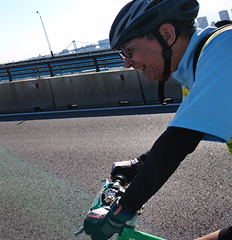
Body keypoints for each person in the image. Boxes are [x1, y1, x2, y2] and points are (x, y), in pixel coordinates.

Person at [83, 0, 232, 239]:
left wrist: (119, 213)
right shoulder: (195, 68)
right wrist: (138, 164)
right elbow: (187, 131)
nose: (127, 62)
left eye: (128, 50)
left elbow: (177, 142)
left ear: (167, 34)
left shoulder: (225, 45)